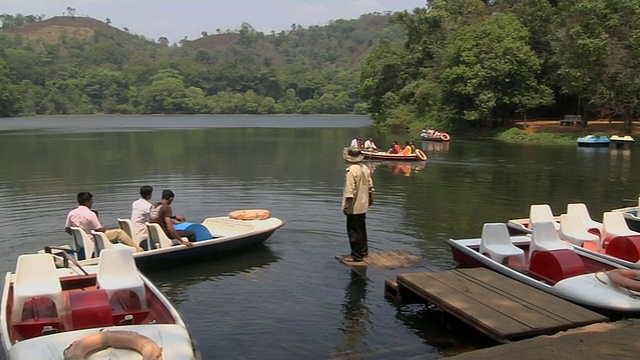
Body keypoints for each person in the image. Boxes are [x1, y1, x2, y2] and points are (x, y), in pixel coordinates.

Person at [65, 192, 143, 257]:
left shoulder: (71, 213)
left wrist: (79, 236)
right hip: (93, 238)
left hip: (81, 241)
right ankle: (139, 251)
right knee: (119, 233)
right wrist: (103, 228)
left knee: (112, 233)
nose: (92, 203)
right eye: (91, 201)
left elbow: (67, 229)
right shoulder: (90, 214)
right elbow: (99, 230)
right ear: (87, 202)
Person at [342, 148, 374, 262]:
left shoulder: (351, 170)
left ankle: (356, 255)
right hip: (363, 203)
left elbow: (350, 191)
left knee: (353, 231)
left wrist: (347, 206)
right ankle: (363, 252)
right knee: (361, 229)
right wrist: (370, 200)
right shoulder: (364, 168)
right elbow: (370, 186)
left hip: (354, 206)